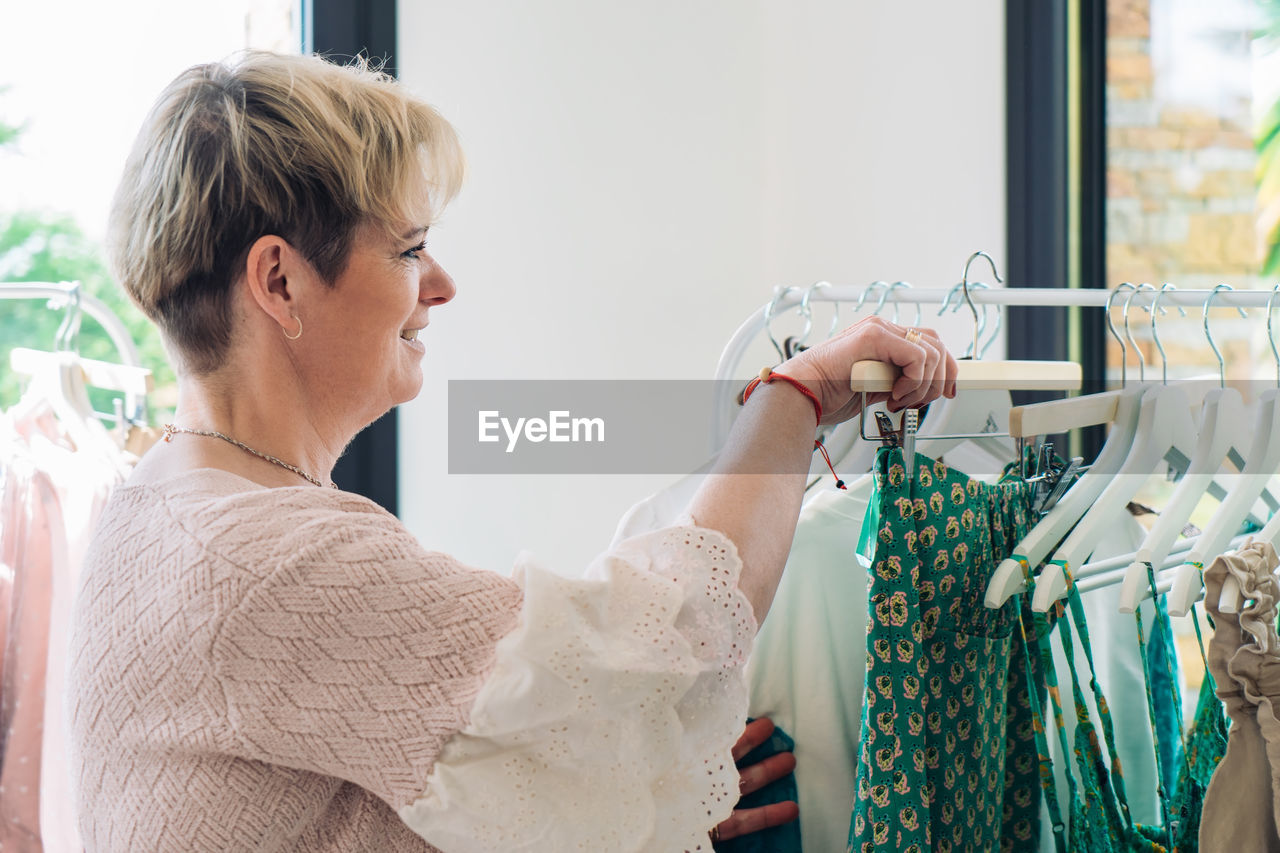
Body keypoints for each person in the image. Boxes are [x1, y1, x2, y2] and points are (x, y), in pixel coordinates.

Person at [66, 51, 957, 852]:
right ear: (280, 280)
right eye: (411, 249)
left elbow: (403, 780)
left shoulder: (156, 508)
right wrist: (796, 398)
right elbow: (666, 638)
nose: (443, 285)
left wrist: (631, 787)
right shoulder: (268, 561)